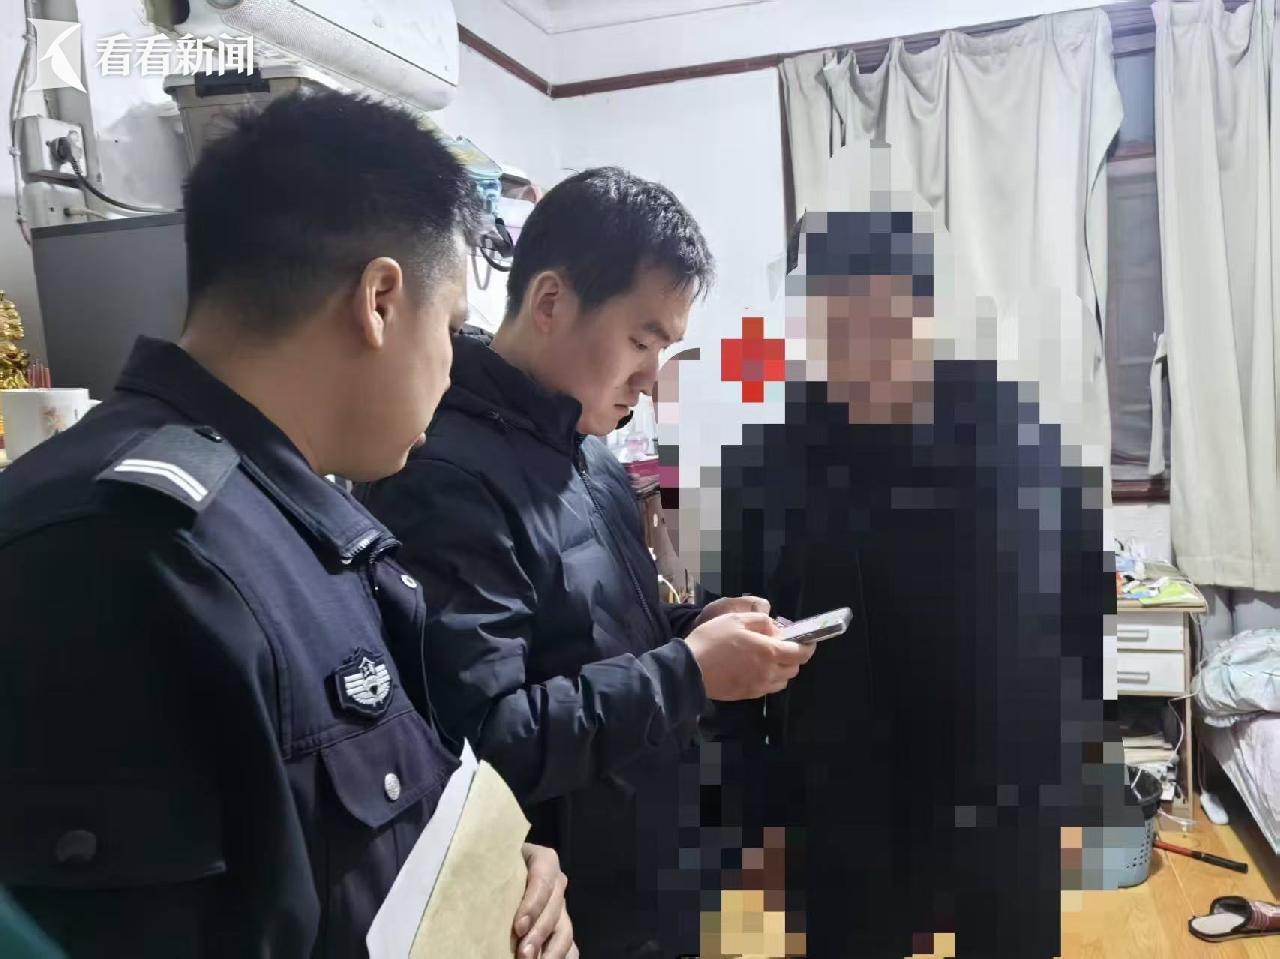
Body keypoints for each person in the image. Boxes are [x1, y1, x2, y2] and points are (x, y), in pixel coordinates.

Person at [0, 91, 574, 958]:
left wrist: (488, 874)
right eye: (454, 328)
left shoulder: (291, 524)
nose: (453, 367)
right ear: (380, 299)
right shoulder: (122, 553)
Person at [357, 167, 815, 957]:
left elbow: (594, 634)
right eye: (641, 341)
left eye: (663, 347)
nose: (652, 375)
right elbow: (485, 740)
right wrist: (689, 670)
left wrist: (693, 625)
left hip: (653, 862)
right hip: (568, 905)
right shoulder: (444, 475)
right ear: (550, 303)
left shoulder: (590, 453)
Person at [704, 211, 1111, 958]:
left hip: (1002, 786)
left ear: (923, 313)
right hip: (843, 790)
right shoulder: (770, 457)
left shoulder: (1013, 429)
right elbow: (731, 635)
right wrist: (749, 822)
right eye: (837, 325)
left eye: (883, 322)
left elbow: (1081, 599)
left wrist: (1077, 772)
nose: (863, 351)